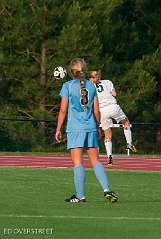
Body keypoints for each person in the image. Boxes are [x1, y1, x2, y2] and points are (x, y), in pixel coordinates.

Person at [55, 58, 118, 203]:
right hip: (91, 127)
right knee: (95, 161)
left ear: (71, 72)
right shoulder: (91, 85)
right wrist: (98, 127)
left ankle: (80, 196)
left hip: (75, 129)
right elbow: (96, 110)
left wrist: (58, 129)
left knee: (78, 163)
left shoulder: (67, 86)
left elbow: (63, 110)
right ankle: (107, 190)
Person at [88, 70, 136, 168]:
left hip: (102, 111)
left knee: (107, 135)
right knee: (126, 122)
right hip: (113, 107)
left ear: (91, 78)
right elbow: (114, 94)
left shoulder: (90, 87)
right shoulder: (108, 82)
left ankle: (110, 159)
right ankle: (129, 143)